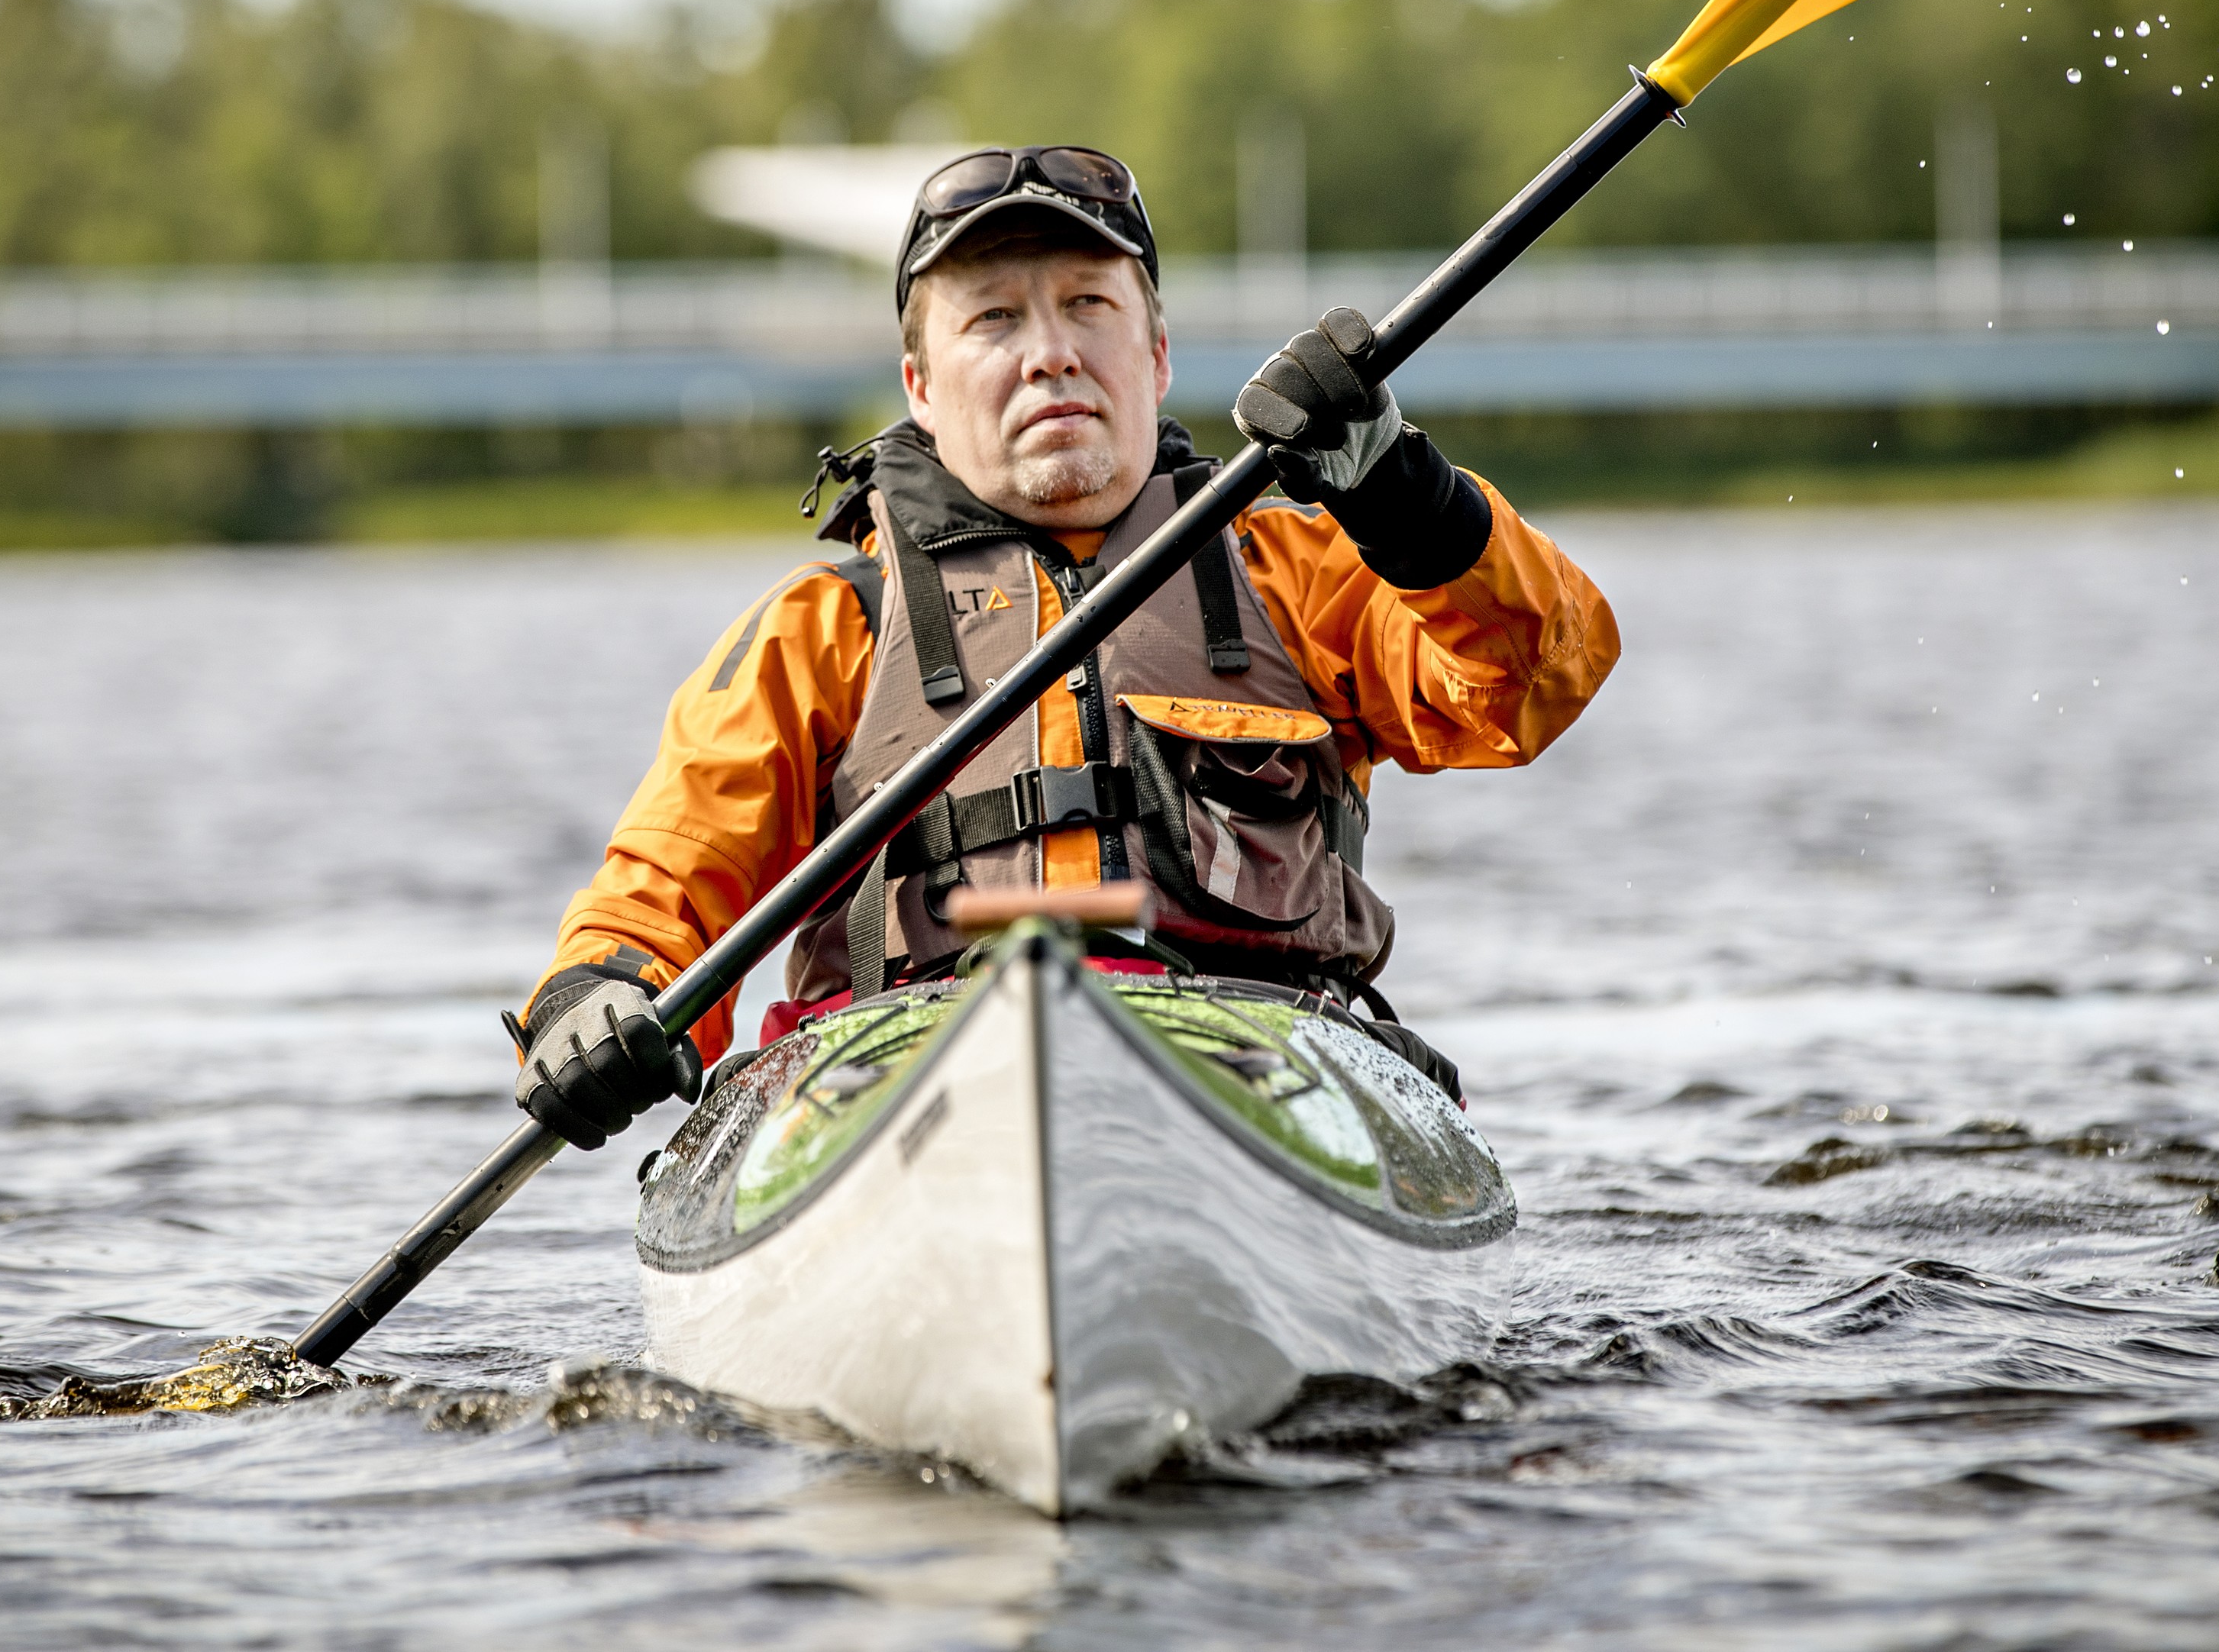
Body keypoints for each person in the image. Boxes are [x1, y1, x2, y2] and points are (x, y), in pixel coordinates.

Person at [507, 144, 1620, 1149]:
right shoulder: (821, 631)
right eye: (992, 319)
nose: (1050, 355)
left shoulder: (1301, 572)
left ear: (1157, 354)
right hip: (894, 1106)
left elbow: (1535, 683)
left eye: (1089, 304)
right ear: (922, 388)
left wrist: (1407, 495)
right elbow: (661, 883)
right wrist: (595, 997)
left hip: (1261, 1079)